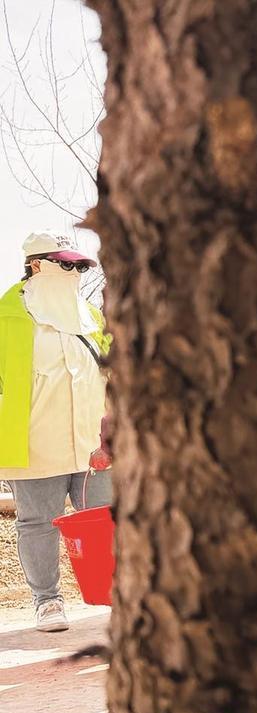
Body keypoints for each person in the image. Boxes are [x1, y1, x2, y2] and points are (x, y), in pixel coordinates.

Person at [0, 233, 111, 633]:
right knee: (37, 522)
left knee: (105, 519)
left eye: (80, 267)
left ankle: (113, 595)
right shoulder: (6, 317)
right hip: (34, 442)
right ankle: (47, 601)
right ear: (35, 265)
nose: (75, 273)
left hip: (93, 445)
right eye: (66, 265)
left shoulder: (92, 318)